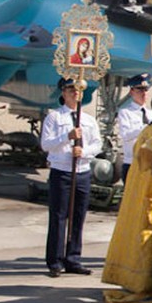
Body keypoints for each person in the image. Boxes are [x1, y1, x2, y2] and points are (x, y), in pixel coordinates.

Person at [101, 91, 152, 303]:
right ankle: (144, 281)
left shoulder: (146, 132)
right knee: (148, 235)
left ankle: (130, 276)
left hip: (139, 191)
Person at [40, 78, 103, 277]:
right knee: (59, 216)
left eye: (78, 90)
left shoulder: (89, 119)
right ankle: (55, 260)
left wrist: (83, 152)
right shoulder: (54, 117)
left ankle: (73, 258)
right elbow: (46, 144)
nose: (75, 93)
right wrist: (66, 137)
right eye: (70, 89)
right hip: (62, 170)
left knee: (78, 216)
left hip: (82, 170)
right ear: (63, 92)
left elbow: (97, 144)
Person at [116, 73, 152, 181]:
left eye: (145, 90)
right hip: (132, 162)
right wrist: (145, 128)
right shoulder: (125, 113)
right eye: (139, 90)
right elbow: (125, 135)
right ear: (131, 92)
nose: (143, 93)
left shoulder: (151, 114)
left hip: (149, 162)